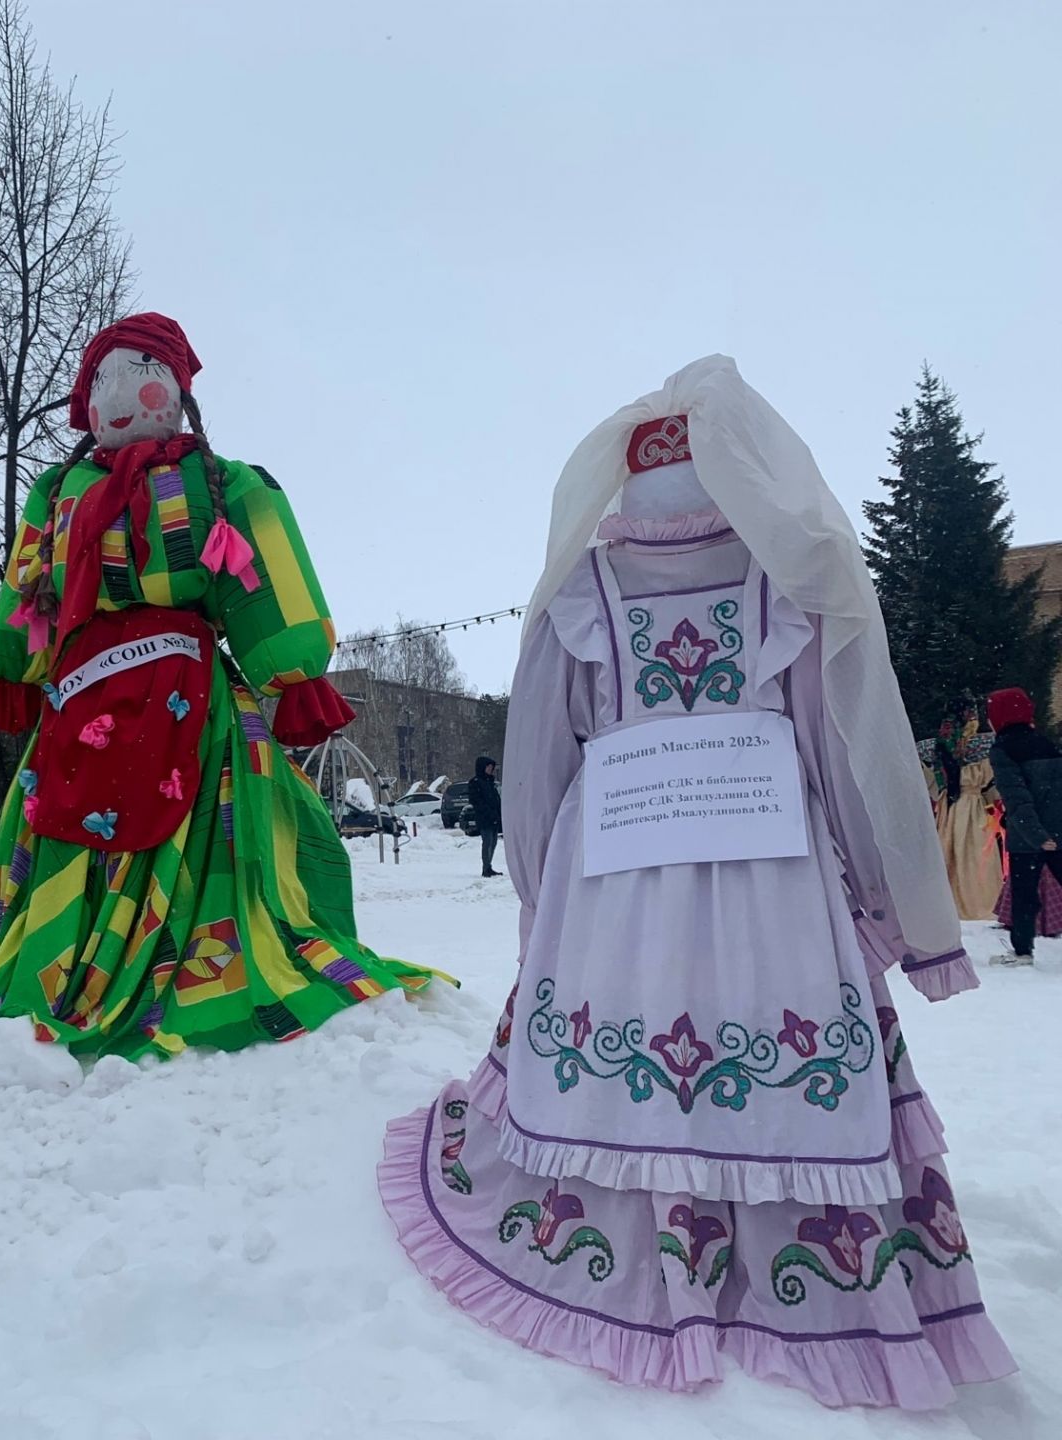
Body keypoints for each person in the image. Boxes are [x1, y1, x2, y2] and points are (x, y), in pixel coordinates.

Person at [379, 357, 1012, 1408]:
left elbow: (536, 767)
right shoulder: (788, 581)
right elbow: (842, 742)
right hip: (775, 872)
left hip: (613, 875)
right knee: (778, 1050)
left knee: (624, 1049)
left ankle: (642, 1246)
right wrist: (880, 904)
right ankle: (817, 1270)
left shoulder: (583, 594)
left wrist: (542, 900)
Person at [0, 312, 445, 1058]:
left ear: (176, 386)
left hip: (191, 699)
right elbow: (24, 596)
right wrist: (13, 651)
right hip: (78, 700)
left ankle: (196, 958)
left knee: (215, 836)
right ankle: (61, 941)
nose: (119, 390)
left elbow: (266, 580)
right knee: (69, 821)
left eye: (139, 370)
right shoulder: (59, 491)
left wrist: (292, 665)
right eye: (100, 376)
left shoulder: (220, 483)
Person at [985, 686, 1062, 966]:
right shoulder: (1046, 742)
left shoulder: (1002, 750)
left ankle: (1022, 950)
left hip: (1028, 836)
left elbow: (1017, 796)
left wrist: (1036, 835)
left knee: (1024, 895)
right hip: (1058, 829)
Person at [918, 701, 1000, 920]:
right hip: (971, 805)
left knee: (949, 849)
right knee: (974, 854)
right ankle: (977, 900)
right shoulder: (985, 747)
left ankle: (947, 900)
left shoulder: (935, 747)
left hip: (948, 804)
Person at [468, 755, 502, 877]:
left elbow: (496, 799)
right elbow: (476, 801)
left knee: (493, 842)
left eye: (491, 768)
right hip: (484, 817)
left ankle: (489, 865)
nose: (490, 769)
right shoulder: (476, 783)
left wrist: (498, 813)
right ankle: (485, 868)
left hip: (494, 817)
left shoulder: (491, 782)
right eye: (488, 767)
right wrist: (488, 812)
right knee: (487, 842)